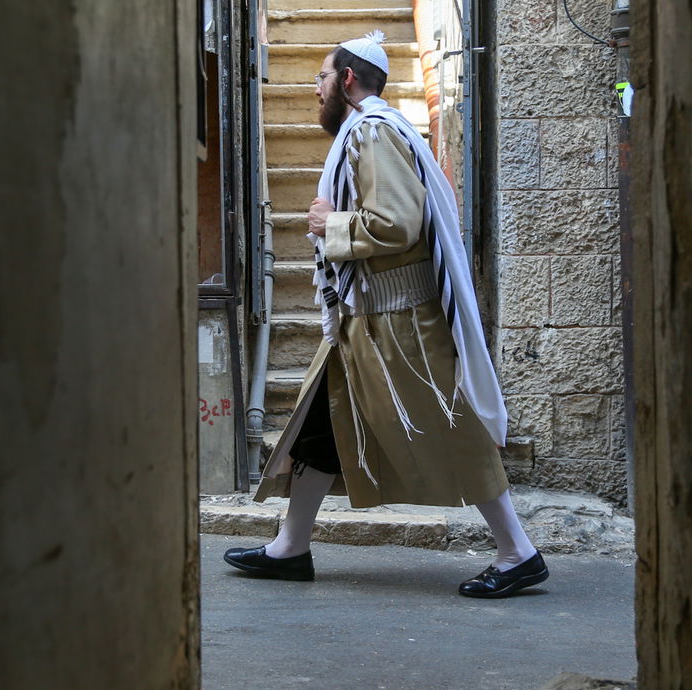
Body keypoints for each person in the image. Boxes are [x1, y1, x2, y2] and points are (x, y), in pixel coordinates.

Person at [224, 31, 548, 598]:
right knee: (318, 425)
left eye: (322, 78)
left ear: (346, 80)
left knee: (454, 427)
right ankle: (290, 547)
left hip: (398, 324)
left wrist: (332, 226)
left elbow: (396, 223)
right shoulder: (371, 130)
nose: (315, 91)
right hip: (365, 318)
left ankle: (518, 552)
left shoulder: (370, 134)